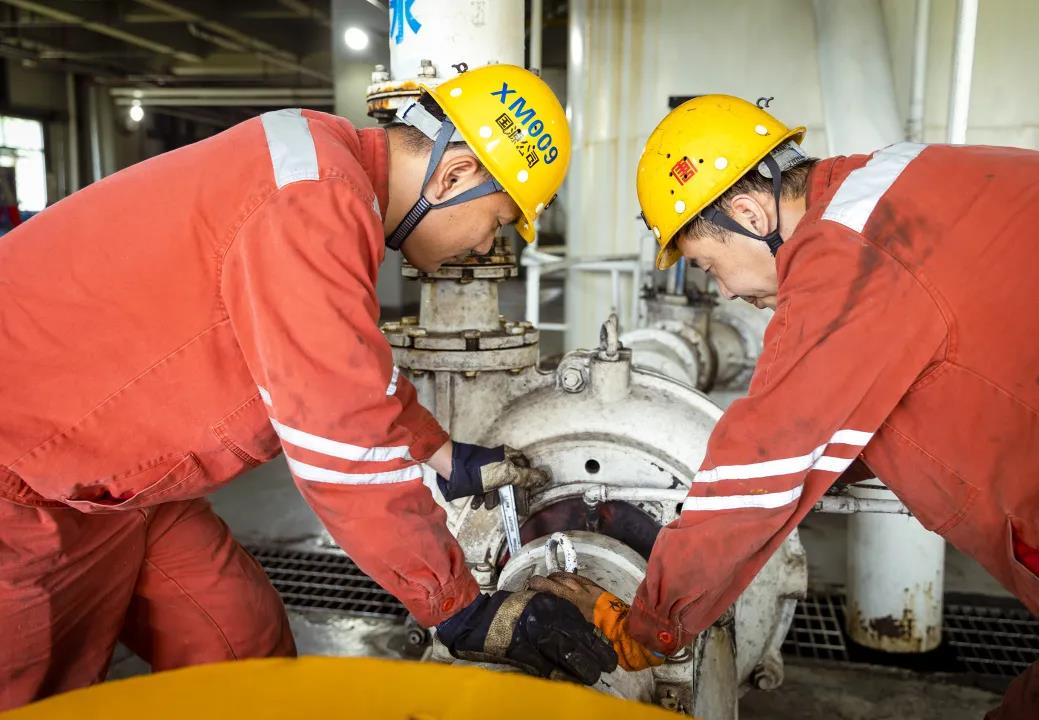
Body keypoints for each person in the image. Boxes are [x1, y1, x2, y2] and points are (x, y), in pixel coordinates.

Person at [0, 63, 615, 709]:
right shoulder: (311, 202)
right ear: (453, 176)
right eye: (496, 222)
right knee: (34, 692)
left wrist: (443, 455)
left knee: (240, 645)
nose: (486, 246)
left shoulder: (326, 174)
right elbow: (342, 445)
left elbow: (349, 374)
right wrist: (460, 607)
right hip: (22, 483)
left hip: (119, 486)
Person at [531, 95, 1039, 718]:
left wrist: (649, 624)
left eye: (709, 265)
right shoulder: (891, 186)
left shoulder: (846, 251)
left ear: (748, 212)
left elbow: (761, 468)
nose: (725, 291)